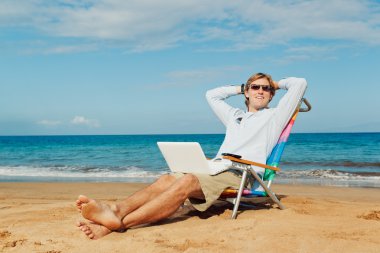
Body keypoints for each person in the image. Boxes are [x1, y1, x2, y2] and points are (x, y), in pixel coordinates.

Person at [76, 73, 307, 239]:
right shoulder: (234, 116)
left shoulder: (275, 117)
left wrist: (274, 82)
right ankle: (116, 211)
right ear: (246, 92)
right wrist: (241, 86)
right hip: (217, 167)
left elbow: (299, 84)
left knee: (187, 181)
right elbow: (211, 95)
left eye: (266, 89)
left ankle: (118, 225)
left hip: (242, 172)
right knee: (168, 179)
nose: (260, 91)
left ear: (271, 95)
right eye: (255, 87)